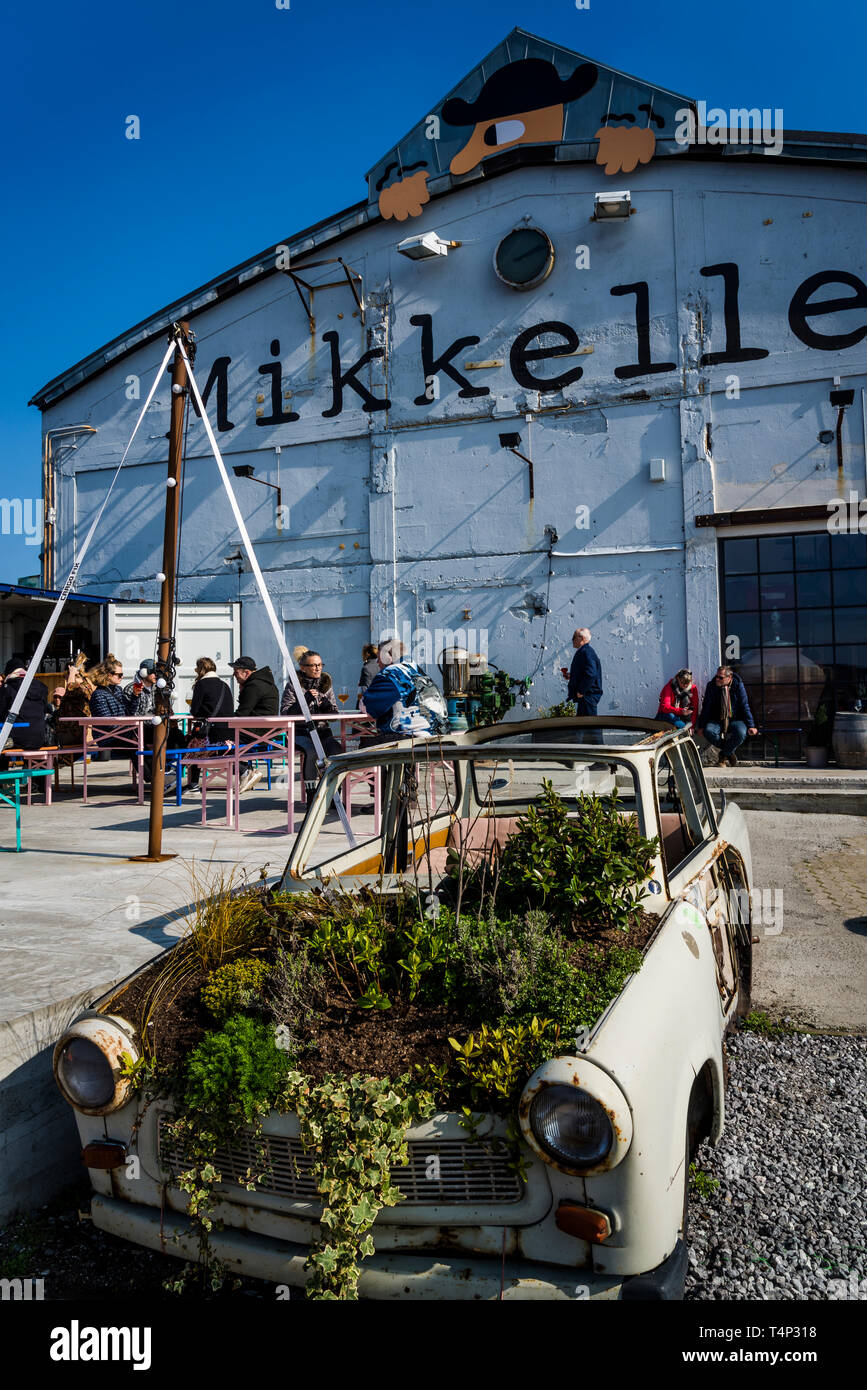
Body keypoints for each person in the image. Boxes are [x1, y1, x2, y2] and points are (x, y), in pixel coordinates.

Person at [362, 639, 448, 742]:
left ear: (388, 657)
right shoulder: (417, 671)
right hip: (440, 737)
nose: (377, 661)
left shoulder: (392, 673)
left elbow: (368, 708)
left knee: (364, 744)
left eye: (379, 657)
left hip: (412, 739)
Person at [280, 650, 341, 795]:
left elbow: (334, 716)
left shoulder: (326, 685)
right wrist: (304, 701)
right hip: (302, 733)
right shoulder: (294, 685)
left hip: (322, 731)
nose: (318, 668)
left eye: (320, 665)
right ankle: (311, 795)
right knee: (312, 751)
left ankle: (334, 792)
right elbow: (285, 713)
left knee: (336, 751)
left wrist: (327, 705)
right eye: (313, 665)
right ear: (303, 668)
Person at [229, 655, 279, 792]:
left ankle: (246, 771)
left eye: (236, 671)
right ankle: (245, 770)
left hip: (256, 732)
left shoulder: (254, 685)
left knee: (219, 740)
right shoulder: (265, 683)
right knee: (223, 736)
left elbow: (242, 714)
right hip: (267, 731)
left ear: (246, 672)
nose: (234, 674)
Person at [185, 657, 234, 789]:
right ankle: (244, 769)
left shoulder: (202, 685)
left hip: (212, 736)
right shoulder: (225, 685)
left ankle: (192, 783)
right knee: (194, 741)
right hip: (229, 736)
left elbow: (195, 711)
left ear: (200, 670)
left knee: (190, 744)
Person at [697, 665, 758, 767]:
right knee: (709, 732)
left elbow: (744, 705)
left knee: (741, 733)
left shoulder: (738, 686)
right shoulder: (711, 686)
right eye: (716, 676)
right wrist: (701, 726)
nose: (717, 679)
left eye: (720, 677)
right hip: (716, 719)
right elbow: (706, 707)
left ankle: (723, 754)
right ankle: (729, 752)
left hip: (735, 718)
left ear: (729, 678)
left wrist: (751, 725)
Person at [0, 662, 50, 770]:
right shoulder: (41, 687)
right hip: (39, 737)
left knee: (2, 744)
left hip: (16, 738)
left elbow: (1, 712)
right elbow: (44, 710)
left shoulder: (8, 687)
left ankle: (3, 780)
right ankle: (38, 784)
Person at [565, 627, 604, 745]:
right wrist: (572, 676)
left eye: (573, 637)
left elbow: (591, 674)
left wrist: (581, 691)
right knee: (581, 727)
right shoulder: (585, 651)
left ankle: (602, 759)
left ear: (581, 638)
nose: (572, 640)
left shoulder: (586, 652)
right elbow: (585, 673)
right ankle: (573, 755)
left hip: (587, 695)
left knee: (592, 728)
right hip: (586, 696)